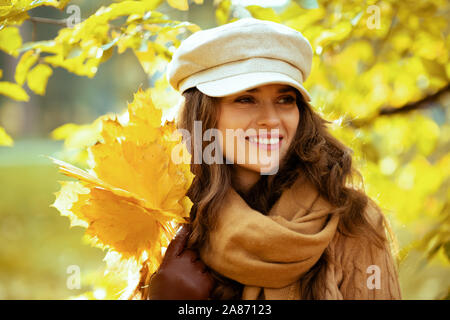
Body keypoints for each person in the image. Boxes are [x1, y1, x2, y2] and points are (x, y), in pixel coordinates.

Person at [147, 18, 402, 300]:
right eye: (246, 99)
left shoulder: (352, 220)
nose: (271, 120)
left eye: (285, 99)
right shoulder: (167, 219)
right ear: (203, 116)